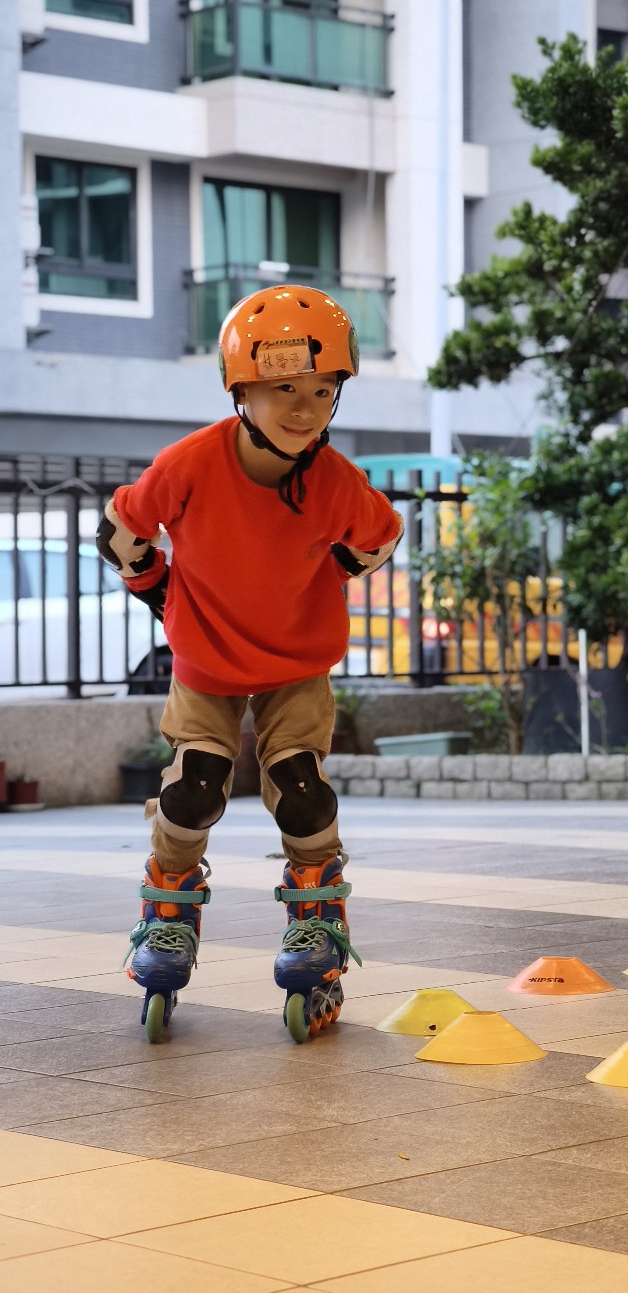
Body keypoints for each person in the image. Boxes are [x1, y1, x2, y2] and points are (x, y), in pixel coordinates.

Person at [96, 285, 403, 1042]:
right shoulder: (190, 464)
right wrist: (157, 590)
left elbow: (381, 537)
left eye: (322, 391)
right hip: (205, 660)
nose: (305, 409)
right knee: (195, 787)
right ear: (242, 389)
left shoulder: (336, 482)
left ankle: (317, 921)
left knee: (301, 789)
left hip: (296, 663)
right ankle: (167, 911)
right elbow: (122, 529)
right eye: (284, 389)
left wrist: (324, 577)